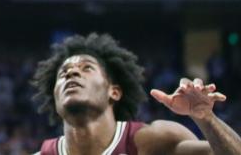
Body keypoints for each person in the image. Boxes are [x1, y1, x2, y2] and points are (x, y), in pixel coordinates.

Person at [31, 32, 241, 155]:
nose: (72, 73)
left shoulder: (154, 142)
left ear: (114, 91)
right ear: (55, 96)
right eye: (64, 73)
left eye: (86, 68)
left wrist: (206, 119)